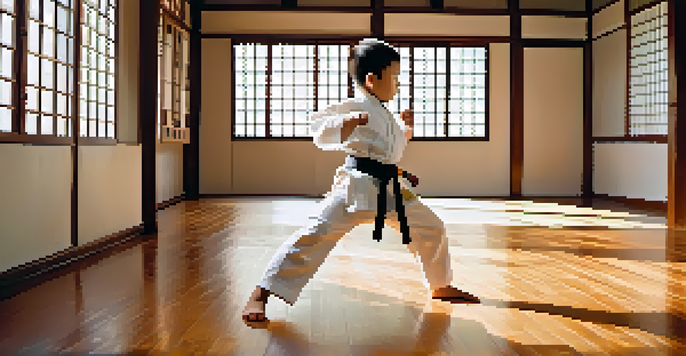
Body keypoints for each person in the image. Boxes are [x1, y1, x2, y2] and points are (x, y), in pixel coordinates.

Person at [242, 38, 480, 324]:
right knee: (314, 235)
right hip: (354, 187)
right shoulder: (355, 105)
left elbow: (390, 152)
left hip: (390, 189)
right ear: (371, 79)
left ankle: (440, 284)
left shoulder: (386, 114)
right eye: (394, 77)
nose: (398, 84)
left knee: (432, 227)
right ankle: (261, 292)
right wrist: (347, 123)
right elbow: (318, 127)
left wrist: (406, 129)